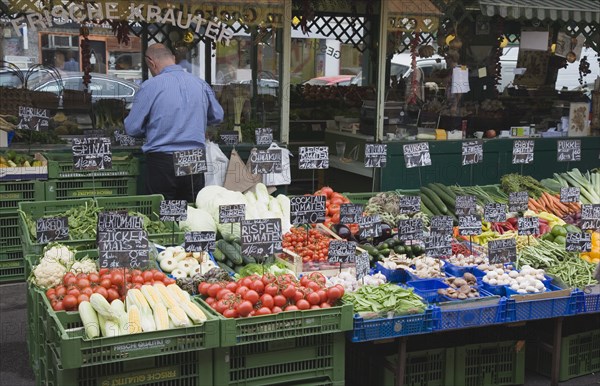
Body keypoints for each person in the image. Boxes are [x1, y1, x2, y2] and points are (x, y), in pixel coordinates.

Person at [125, 43, 224, 202]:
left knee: (162, 216)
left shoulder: (150, 86)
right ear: (173, 58)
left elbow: (132, 128)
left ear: (151, 62)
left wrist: (151, 128)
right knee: (192, 213)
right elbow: (218, 116)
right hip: (193, 158)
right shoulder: (200, 84)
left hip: (163, 161)